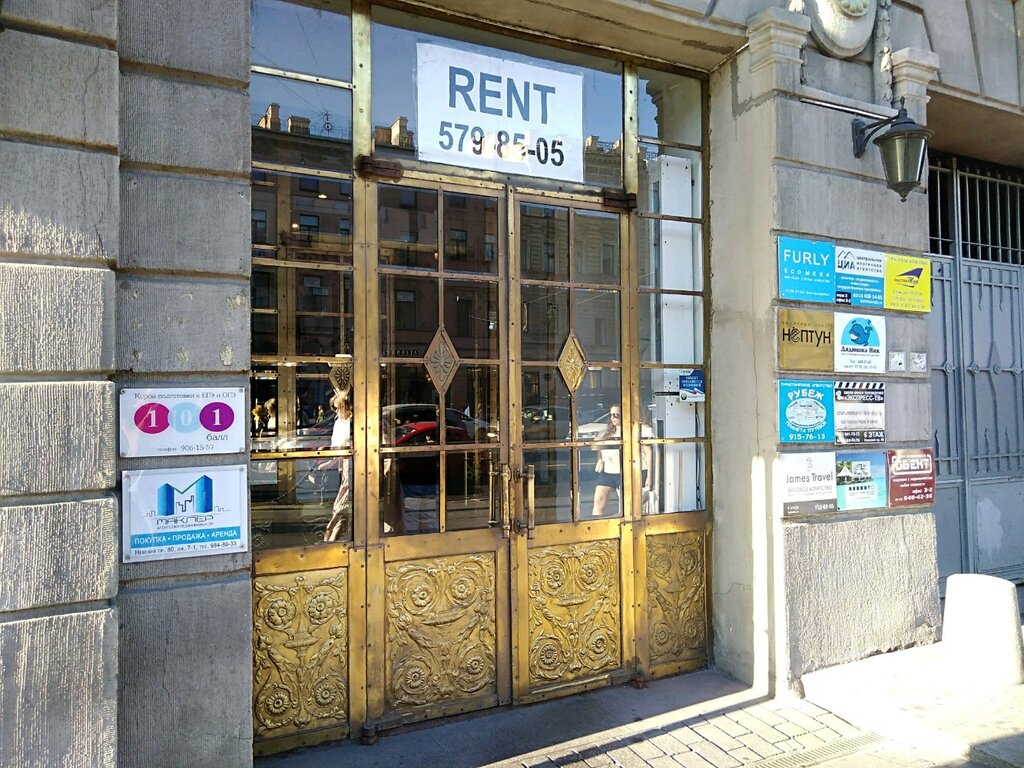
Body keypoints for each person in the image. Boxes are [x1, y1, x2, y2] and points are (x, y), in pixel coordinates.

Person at [591, 406, 655, 517]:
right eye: (611, 415)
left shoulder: (640, 429)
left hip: (631, 471)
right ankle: (596, 525)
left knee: (629, 508)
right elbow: (599, 448)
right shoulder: (607, 432)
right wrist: (600, 458)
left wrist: (650, 476)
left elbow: (649, 453)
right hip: (609, 471)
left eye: (616, 415)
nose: (613, 418)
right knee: (599, 499)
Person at [321, 394, 352, 542]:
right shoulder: (340, 422)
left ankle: (332, 536)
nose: (336, 411)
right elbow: (338, 448)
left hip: (351, 466)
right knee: (343, 502)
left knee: (343, 504)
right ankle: (333, 535)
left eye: (338, 408)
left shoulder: (352, 423)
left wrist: (330, 463)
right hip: (344, 465)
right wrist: (330, 463)